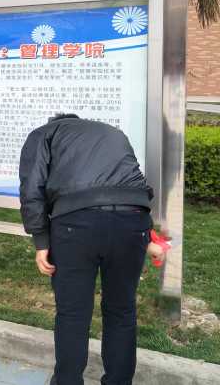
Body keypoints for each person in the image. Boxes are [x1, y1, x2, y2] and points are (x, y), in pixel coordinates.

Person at [19, 114, 165, 385]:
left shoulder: (45, 133)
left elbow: (32, 188)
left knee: (73, 313)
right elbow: (132, 186)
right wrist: (145, 235)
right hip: (133, 221)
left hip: (76, 224)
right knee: (121, 310)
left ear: (55, 121)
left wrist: (41, 241)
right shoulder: (111, 132)